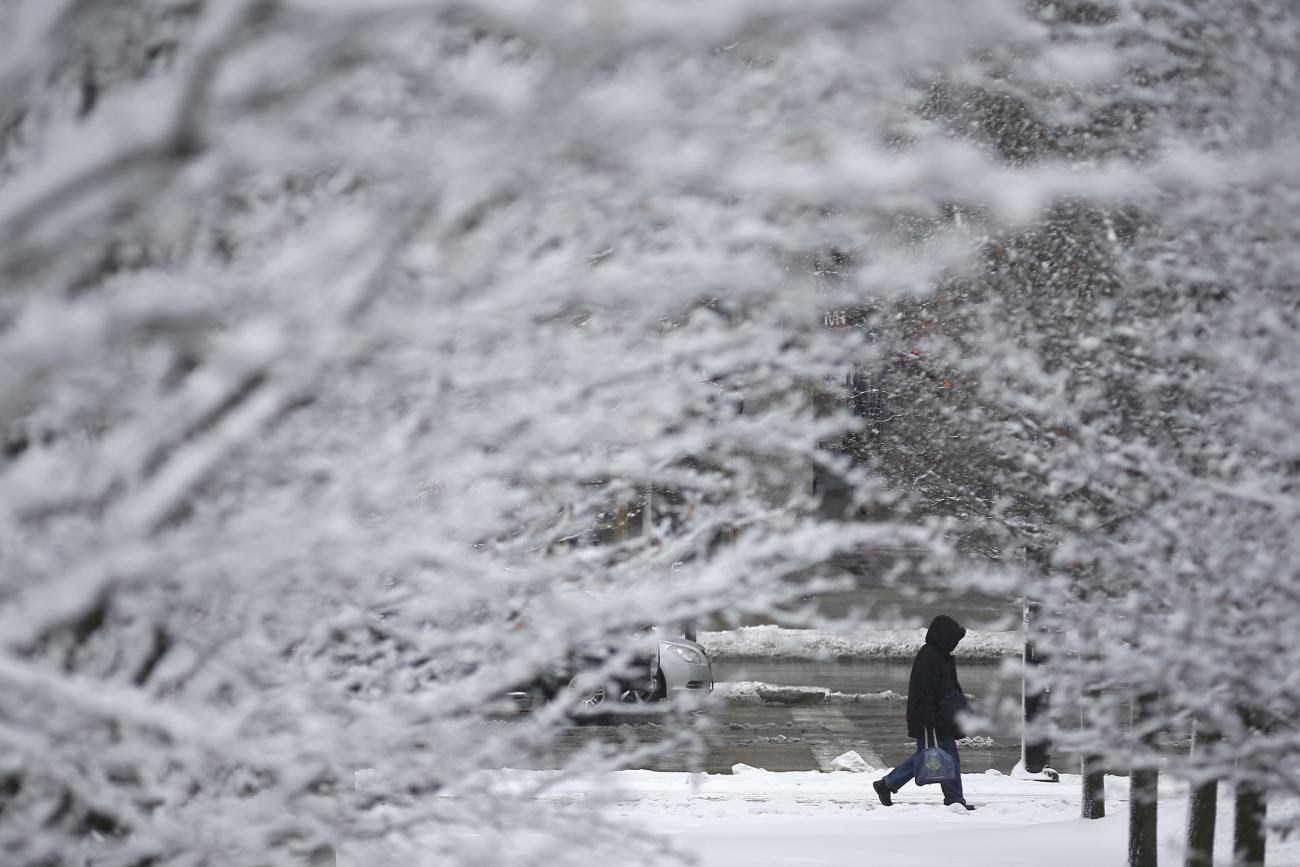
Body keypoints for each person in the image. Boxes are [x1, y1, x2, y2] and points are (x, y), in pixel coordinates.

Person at [873, 614, 974, 811]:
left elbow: (949, 689)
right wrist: (930, 720)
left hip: (940, 716)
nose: (954, 644)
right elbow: (923, 692)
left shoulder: (939, 655)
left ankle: (888, 784)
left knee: (935, 756)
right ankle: (888, 784)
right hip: (932, 718)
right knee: (938, 757)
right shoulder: (930, 656)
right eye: (953, 640)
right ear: (944, 637)